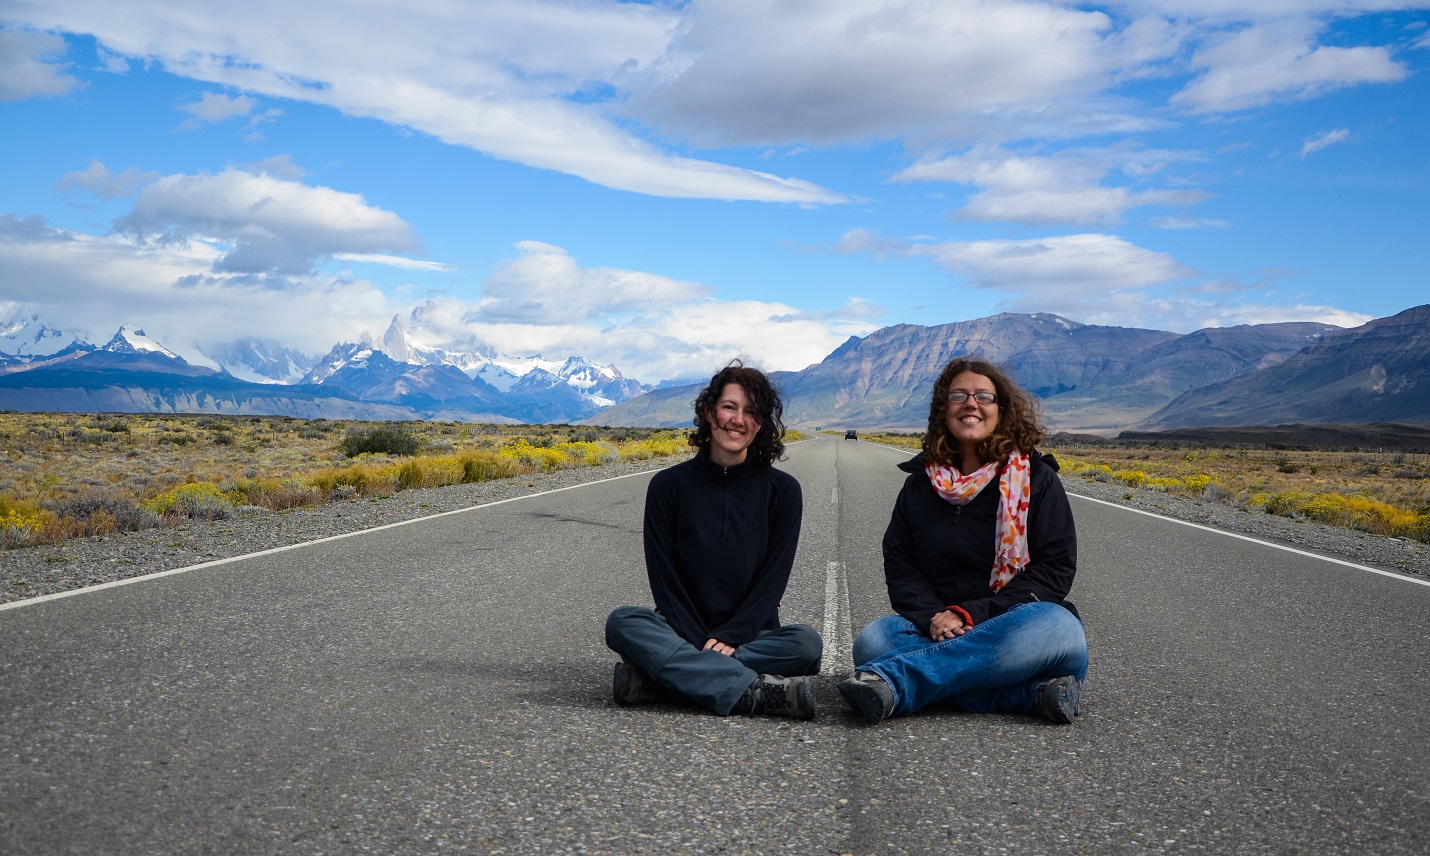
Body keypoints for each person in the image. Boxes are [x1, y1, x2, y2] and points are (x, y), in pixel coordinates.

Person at [838, 357, 1088, 725]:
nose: (971, 404)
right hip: (936, 626)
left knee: (1059, 628)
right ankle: (1029, 694)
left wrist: (970, 615)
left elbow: (1055, 571)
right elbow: (900, 563)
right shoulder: (919, 485)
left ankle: (898, 681)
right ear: (944, 409)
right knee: (874, 641)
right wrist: (934, 617)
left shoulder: (1037, 479)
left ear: (1001, 410)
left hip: (1013, 626)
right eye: (959, 396)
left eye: (984, 396)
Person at [605, 362, 822, 718]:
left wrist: (733, 636)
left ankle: (663, 680)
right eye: (729, 407)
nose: (738, 420)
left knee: (807, 645)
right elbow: (664, 580)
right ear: (709, 412)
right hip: (679, 628)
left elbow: (773, 581)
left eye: (751, 412)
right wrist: (696, 639)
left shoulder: (782, 491)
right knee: (623, 622)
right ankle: (754, 692)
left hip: (753, 634)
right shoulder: (668, 487)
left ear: (762, 424)